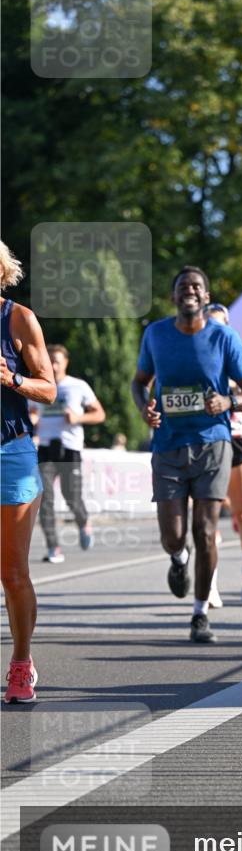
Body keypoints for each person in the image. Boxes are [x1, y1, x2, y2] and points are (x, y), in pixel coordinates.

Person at [131, 266, 242, 643]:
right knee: (174, 536)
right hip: (168, 445)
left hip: (213, 443)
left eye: (197, 286)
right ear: (174, 297)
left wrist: (229, 400)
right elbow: (140, 383)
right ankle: (177, 558)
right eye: (183, 286)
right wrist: (144, 407)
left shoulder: (225, 337)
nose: (190, 290)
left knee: (205, 531)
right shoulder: (155, 334)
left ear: (205, 297)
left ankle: (200, 612)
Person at [0, 241, 56, 703]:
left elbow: (49, 389)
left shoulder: (18, 318)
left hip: (9, 453)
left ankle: (21, 662)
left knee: (12, 571)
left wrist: (11, 379)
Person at [204, 302, 242, 603]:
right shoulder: (197, 355)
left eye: (220, 324)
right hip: (207, 437)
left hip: (239, 437)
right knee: (208, 515)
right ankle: (210, 582)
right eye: (210, 324)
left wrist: (230, 392)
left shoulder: (239, 356)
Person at [30, 344, 106, 563]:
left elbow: (99, 414)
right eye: (50, 360)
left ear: (65, 362)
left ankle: (84, 523)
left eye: (57, 360)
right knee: (44, 499)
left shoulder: (78, 386)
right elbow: (33, 412)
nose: (53, 365)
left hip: (69, 448)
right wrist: (33, 419)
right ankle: (54, 547)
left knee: (71, 496)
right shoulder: (39, 385)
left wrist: (78, 418)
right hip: (45, 448)